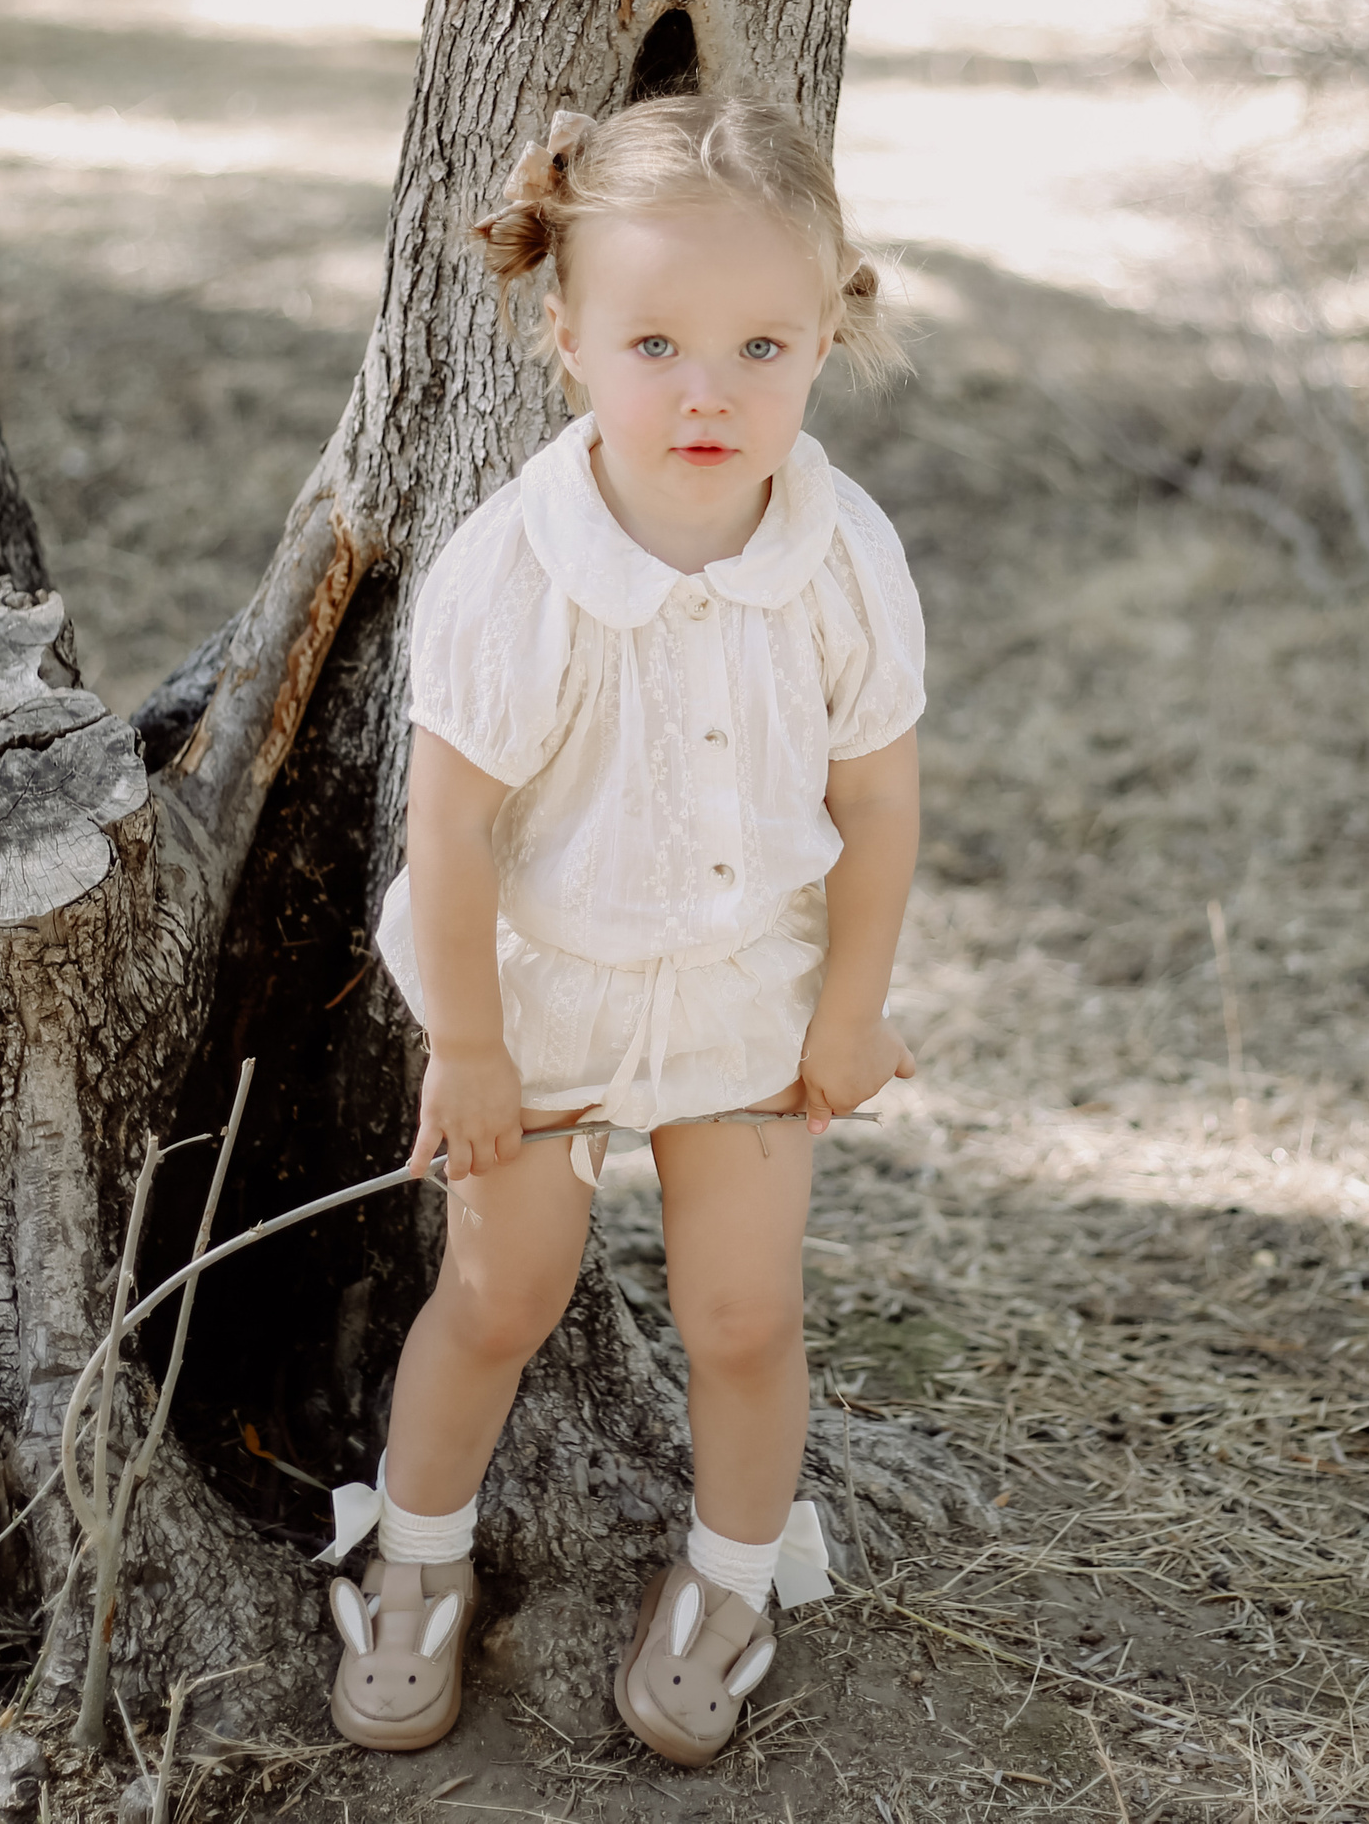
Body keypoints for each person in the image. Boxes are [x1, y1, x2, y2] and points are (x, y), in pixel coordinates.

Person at [318, 93, 924, 1766]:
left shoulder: (843, 559)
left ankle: (730, 1582)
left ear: (827, 335)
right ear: (564, 335)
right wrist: (472, 1047)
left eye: (758, 345)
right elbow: (448, 825)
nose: (709, 390)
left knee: (744, 1320)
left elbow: (876, 808)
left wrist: (851, 1013)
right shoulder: (521, 572)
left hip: (747, 1000)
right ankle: (416, 1559)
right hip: (550, 1001)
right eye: (655, 341)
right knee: (500, 1298)